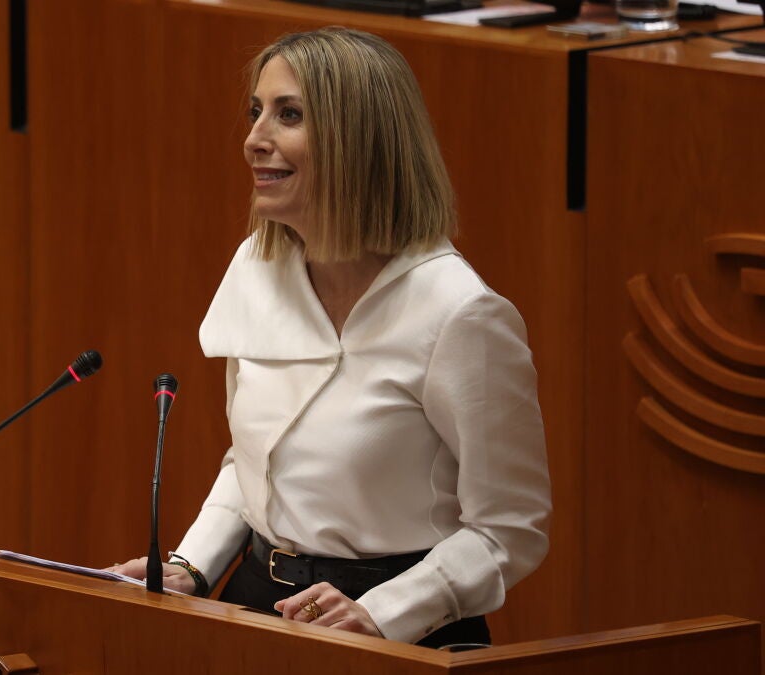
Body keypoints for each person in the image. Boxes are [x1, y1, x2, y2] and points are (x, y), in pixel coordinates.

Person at [112, 27, 551, 648]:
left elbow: (510, 528)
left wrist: (383, 612)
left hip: (404, 630)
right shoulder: (258, 267)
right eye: (256, 111)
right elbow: (254, 462)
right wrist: (190, 565)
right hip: (254, 603)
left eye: (288, 115)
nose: (254, 138)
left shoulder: (460, 313)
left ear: (359, 140)